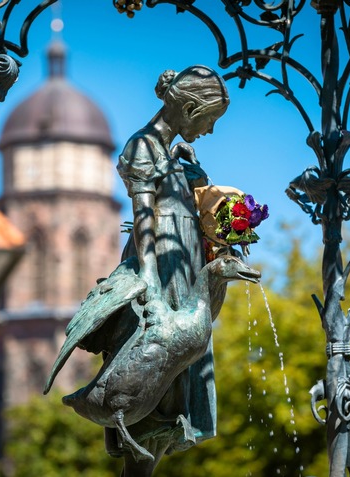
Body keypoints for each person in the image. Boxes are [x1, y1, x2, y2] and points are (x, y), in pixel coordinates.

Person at [113, 65, 229, 474]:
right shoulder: (144, 147)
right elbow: (144, 221)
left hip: (181, 270)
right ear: (191, 107)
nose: (210, 131)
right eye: (209, 121)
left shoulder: (165, 152)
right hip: (161, 272)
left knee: (176, 392)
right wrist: (151, 292)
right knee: (158, 397)